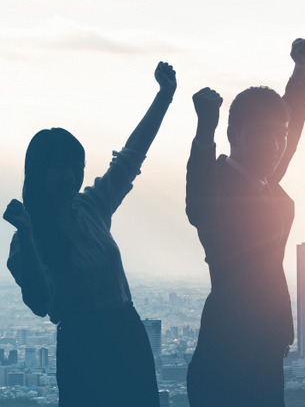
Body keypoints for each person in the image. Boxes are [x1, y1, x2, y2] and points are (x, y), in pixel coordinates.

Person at [4, 62, 176, 407]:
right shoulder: (28, 237)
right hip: (84, 347)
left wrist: (164, 97)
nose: (70, 175)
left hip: (127, 334)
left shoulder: (91, 207)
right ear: (38, 172)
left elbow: (130, 158)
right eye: (58, 167)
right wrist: (25, 230)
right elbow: (42, 302)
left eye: (75, 166)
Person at [185, 38, 305, 407]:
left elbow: (287, 131)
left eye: (281, 136)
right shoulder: (219, 186)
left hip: (264, 355)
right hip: (228, 361)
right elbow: (199, 204)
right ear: (235, 135)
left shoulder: (267, 185)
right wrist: (204, 130)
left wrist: (301, 74)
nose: (277, 145)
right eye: (264, 135)